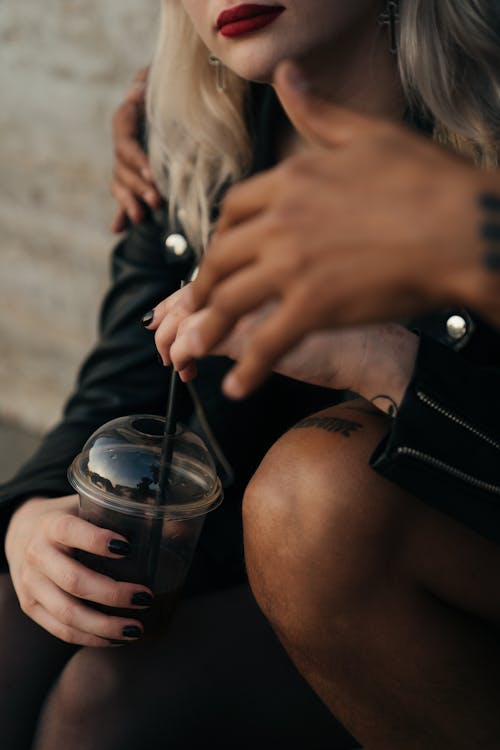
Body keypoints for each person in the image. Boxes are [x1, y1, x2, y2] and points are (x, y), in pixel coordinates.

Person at [1, 3, 500, 750]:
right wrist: (29, 518)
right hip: (261, 574)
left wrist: (383, 360)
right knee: (23, 628)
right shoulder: (190, 130)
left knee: (113, 701)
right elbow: (126, 384)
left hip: (440, 598)